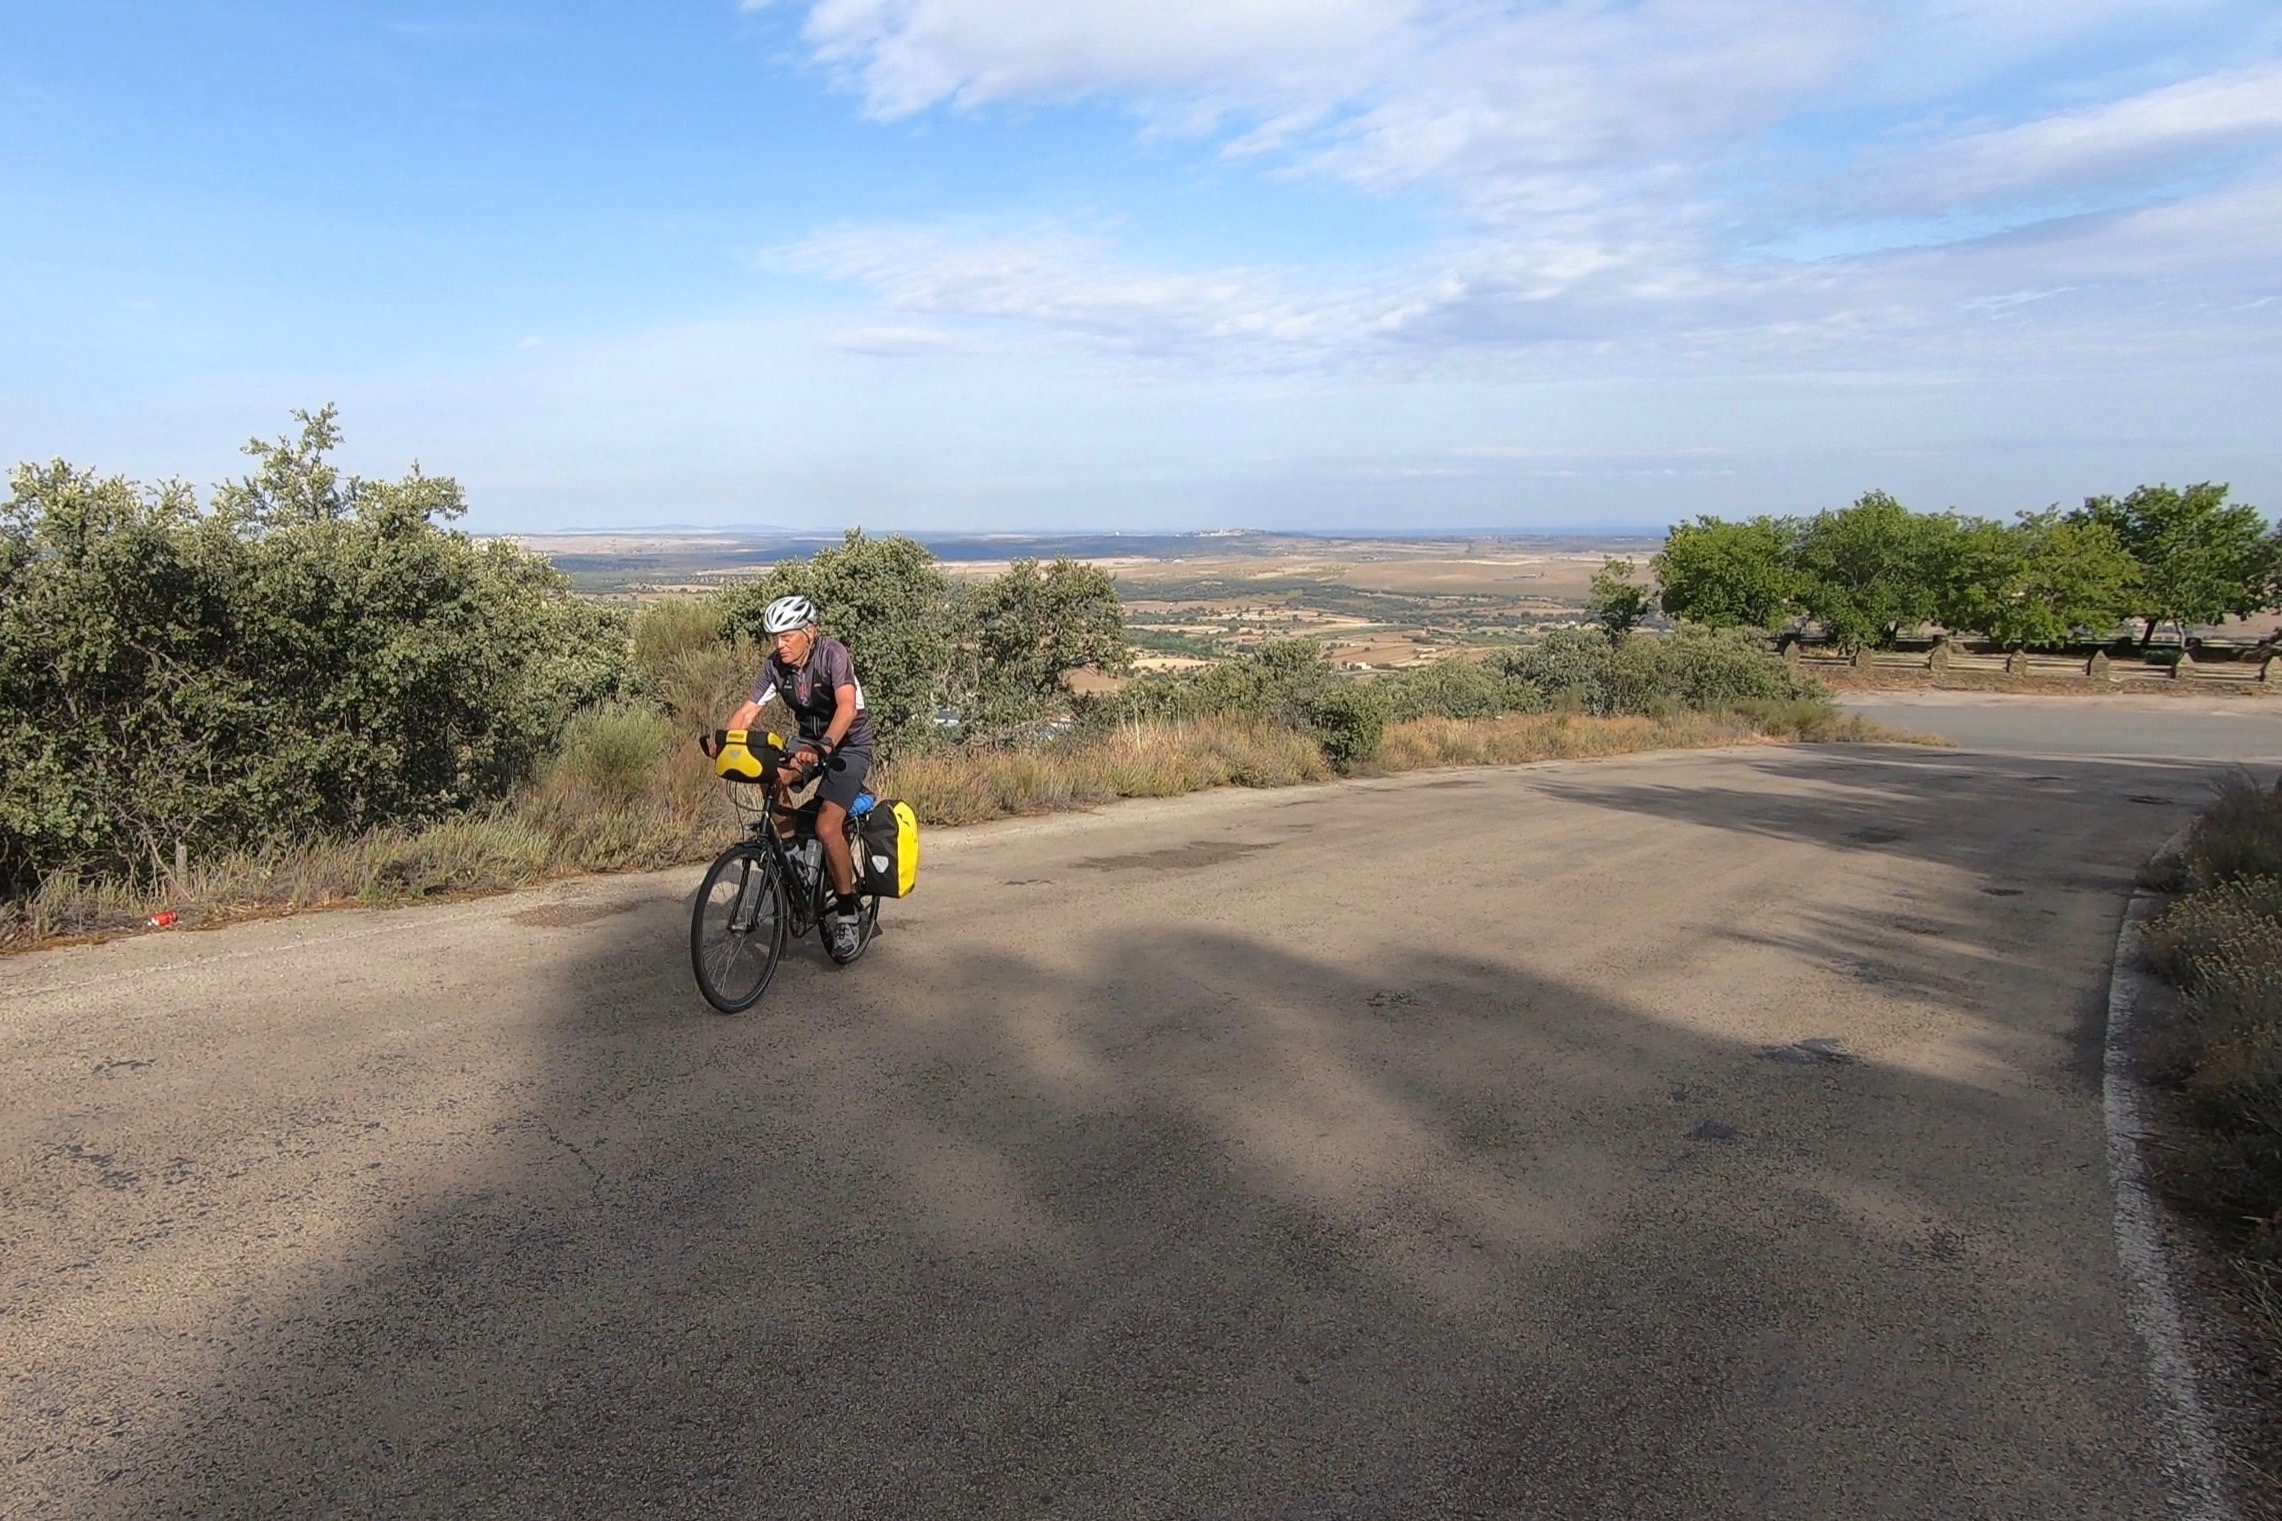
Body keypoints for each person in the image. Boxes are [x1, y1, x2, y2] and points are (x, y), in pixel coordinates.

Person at [711, 594, 875, 958]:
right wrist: (726, 744)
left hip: (848, 744)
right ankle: (792, 853)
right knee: (769, 774)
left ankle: (847, 911)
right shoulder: (776, 666)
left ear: (810, 632)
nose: (780, 644)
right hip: (808, 741)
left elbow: (847, 707)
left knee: (827, 827)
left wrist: (826, 745)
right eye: (775, 637)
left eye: (787, 636)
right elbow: (748, 712)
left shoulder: (833, 655)